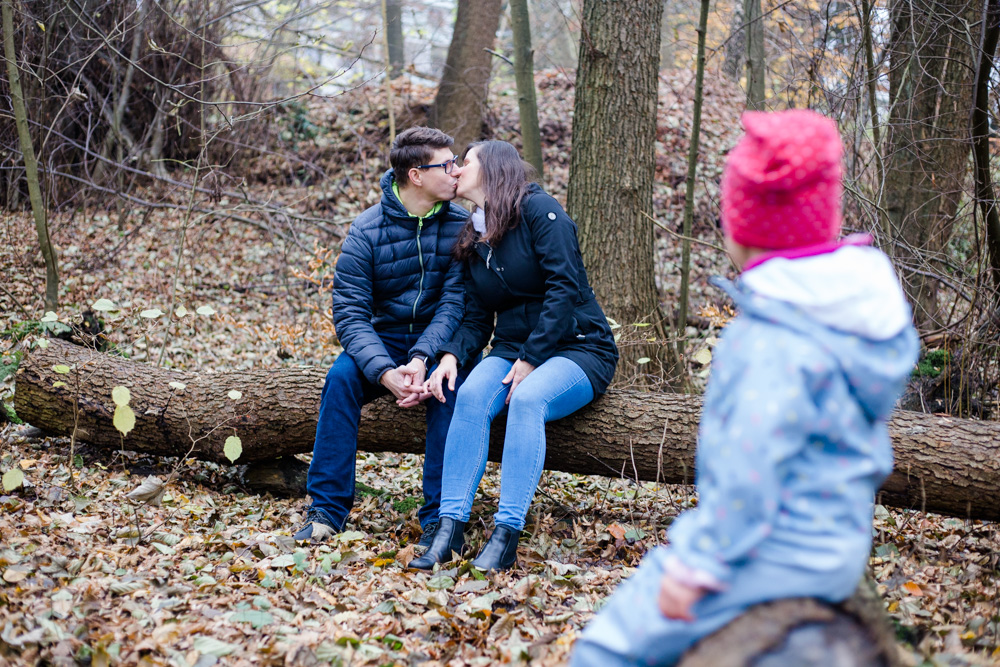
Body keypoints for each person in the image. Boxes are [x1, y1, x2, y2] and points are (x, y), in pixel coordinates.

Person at [570, 110, 920, 666]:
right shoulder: (857, 320)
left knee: (606, 649)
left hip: (768, 549)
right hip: (840, 545)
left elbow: (749, 470)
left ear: (744, 227)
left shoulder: (768, 340)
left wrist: (696, 565)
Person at [408, 140, 619, 572]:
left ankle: (506, 535)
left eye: (464, 162)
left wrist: (533, 357)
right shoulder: (476, 234)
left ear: (494, 167)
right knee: (467, 396)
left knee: (527, 399)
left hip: (578, 346)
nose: (455, 169)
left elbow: (564, 289)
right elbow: (476, 314)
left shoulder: (542, 213)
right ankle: (450, 532)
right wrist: (449, 356)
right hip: (511, 348)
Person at [294, 126, 473, 549]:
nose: (456, 172)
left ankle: (440, 520)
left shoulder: (463, 225)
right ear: (416, 175)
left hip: (442, 343)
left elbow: (456, 303)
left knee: (451, 393)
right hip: (383, 339)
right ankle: (326, 511)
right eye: (446, 165)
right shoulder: (366, 229)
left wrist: (423, 358)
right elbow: (350, 313)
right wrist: (384, 372)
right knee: (339, 381)